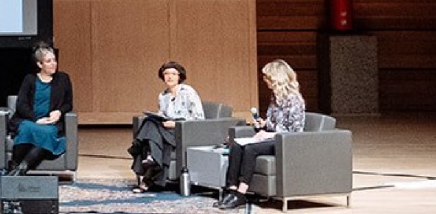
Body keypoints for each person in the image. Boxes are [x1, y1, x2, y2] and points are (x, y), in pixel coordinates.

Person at [217, 59, 306, 210]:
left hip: (285, 142)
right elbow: (274, 122)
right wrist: (263, 124)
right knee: (236, 145)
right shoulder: (275, 97)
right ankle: (231, 189)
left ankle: (241, 193)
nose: (265, 81)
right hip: (271, 137)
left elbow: (294, 131)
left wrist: (268, 135)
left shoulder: (294, 100)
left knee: (251, 148)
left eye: (268, 78)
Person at [128, 60, 204, 192]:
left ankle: (143, 157)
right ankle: (150, 162)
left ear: (179, 76)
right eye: (166, 74)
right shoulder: (163, 95)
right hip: (166, 130)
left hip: (183, 130)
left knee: (150, 126)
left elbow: (199, 118)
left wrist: (175, 124)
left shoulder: (188, 91)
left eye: (173, 74)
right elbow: (162, 115)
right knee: (151, 124)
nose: (170, 77)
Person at [6, 42, 73, 176]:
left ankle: (18, 170)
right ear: (40, 64)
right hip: (31, 120)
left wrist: (59, 111)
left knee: (47, 133)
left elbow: (68, 103)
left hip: (50, 123)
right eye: (48, 61)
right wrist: (36, 120)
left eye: (54, 60)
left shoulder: (63, 79)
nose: (53, 64)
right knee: (26, 128)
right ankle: (17, 167)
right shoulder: (30, 79)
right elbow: (21, 105)